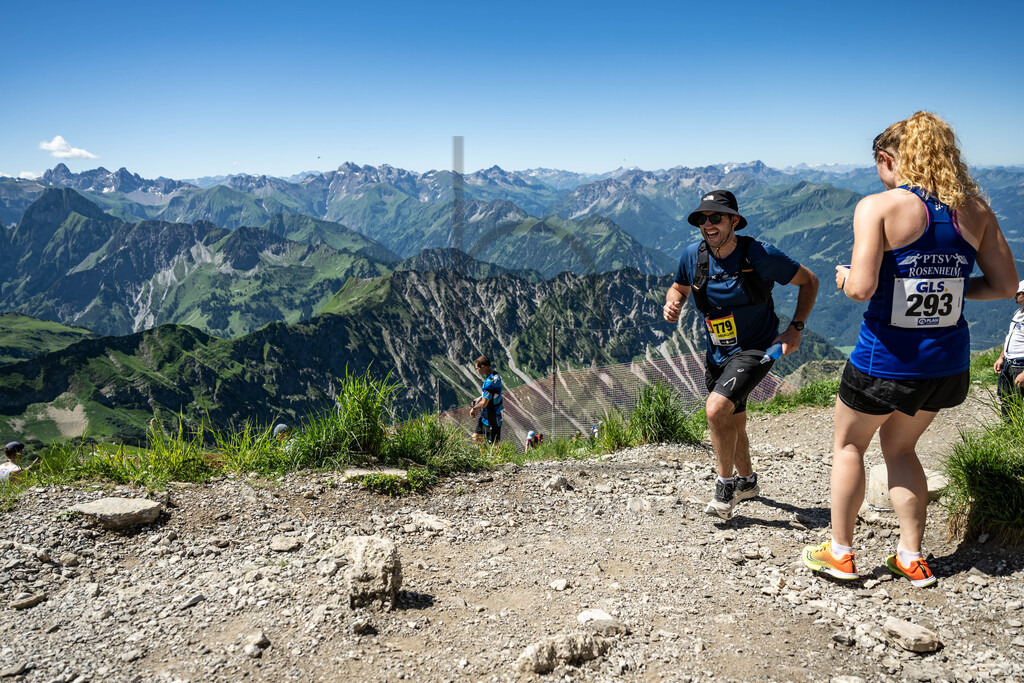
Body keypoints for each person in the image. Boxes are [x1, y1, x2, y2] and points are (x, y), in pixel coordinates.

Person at [802, 112, 1017, 587]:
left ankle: (840, 552)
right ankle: (911, 556)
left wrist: (842, 278)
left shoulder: (878, 207)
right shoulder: (975, 210)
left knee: (849, 445)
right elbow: (1005, 285)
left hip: (884, 359)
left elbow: (860, 289)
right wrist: (955, 287)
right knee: (901, 450)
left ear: (888, 159)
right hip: (946, 364)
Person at [664, 189, 819, 520]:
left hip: (757, 348)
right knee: (732, 418)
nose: (708, 224)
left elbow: (810, 281)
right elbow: (679, 286)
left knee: (716, 409)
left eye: (716, 217)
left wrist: (795, 329)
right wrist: (672, 301)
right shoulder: (693, 255)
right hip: (717, 354)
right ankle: (747, 482)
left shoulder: (760, 255)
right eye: (702, 219)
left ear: (734, 220)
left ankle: (725, 487)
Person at [993, 280, 1024, 421]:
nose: (1014, 296)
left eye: (1017, 293)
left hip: (1020, 366)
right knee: (1006, 398)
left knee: (1019, 402)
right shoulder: (1018, 313)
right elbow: (1010, 336)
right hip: (1008, 363)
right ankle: (1008, 430)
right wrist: (1001, 357)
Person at [469, 356, 503, 445]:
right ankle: (485, 456)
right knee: (476, 437)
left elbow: (484, 403)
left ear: (483, 367)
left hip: (493, 417)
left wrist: (473, 409)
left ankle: (495, 458)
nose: (477, 371)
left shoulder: (490, 382)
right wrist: (477, 399)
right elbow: (488, 395)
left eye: (477, 368)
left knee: (494, 446)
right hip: (486, 416)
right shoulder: (494, 374)